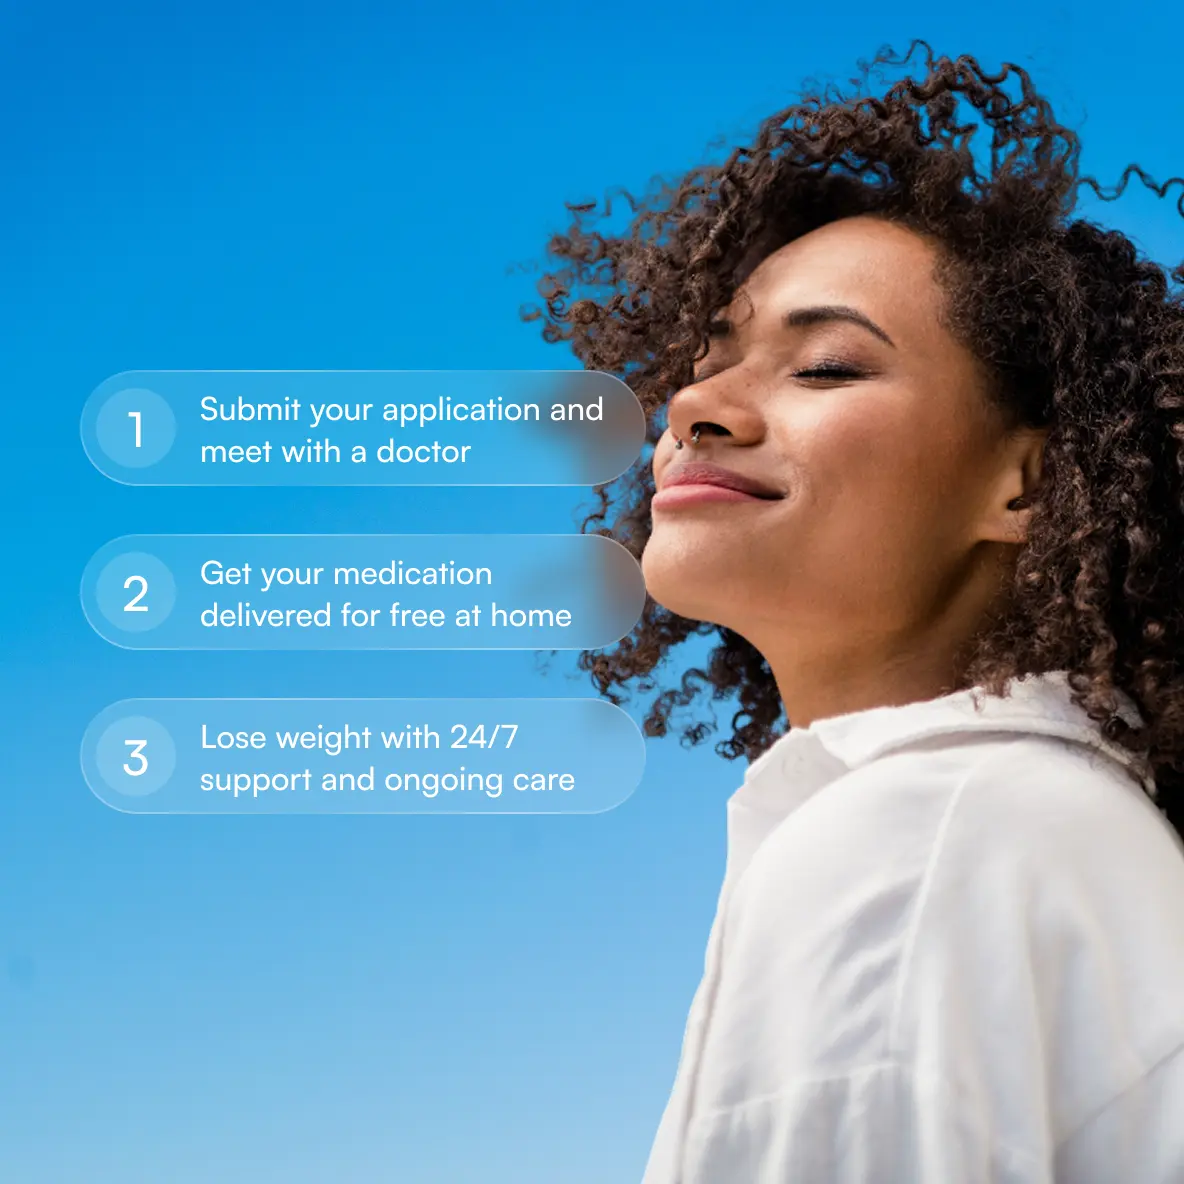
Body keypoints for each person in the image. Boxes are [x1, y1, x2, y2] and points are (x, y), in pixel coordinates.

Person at [523, 42, 1184, 1183]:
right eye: (707, 359)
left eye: (824, 366)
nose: (694, 406)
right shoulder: (1050, 834)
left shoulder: (913, 848)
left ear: (1025, 485)